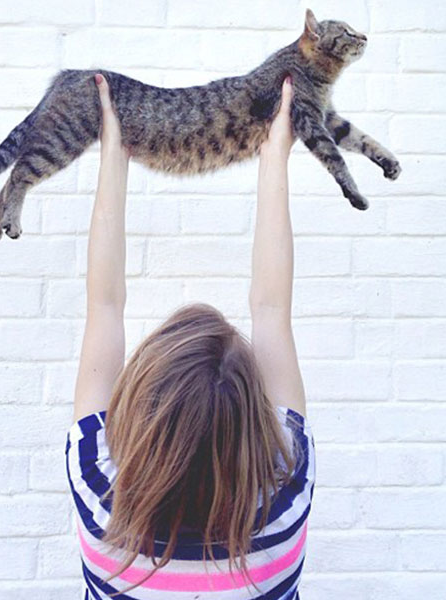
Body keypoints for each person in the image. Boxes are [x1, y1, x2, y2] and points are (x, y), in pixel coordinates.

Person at [66, 72, 316, 600]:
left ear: (139, 405)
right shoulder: (285, 501)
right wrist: (274, 154)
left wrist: (115, 153)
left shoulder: (98, 496)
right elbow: (271, 311)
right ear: (251, 417)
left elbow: (104, 308)